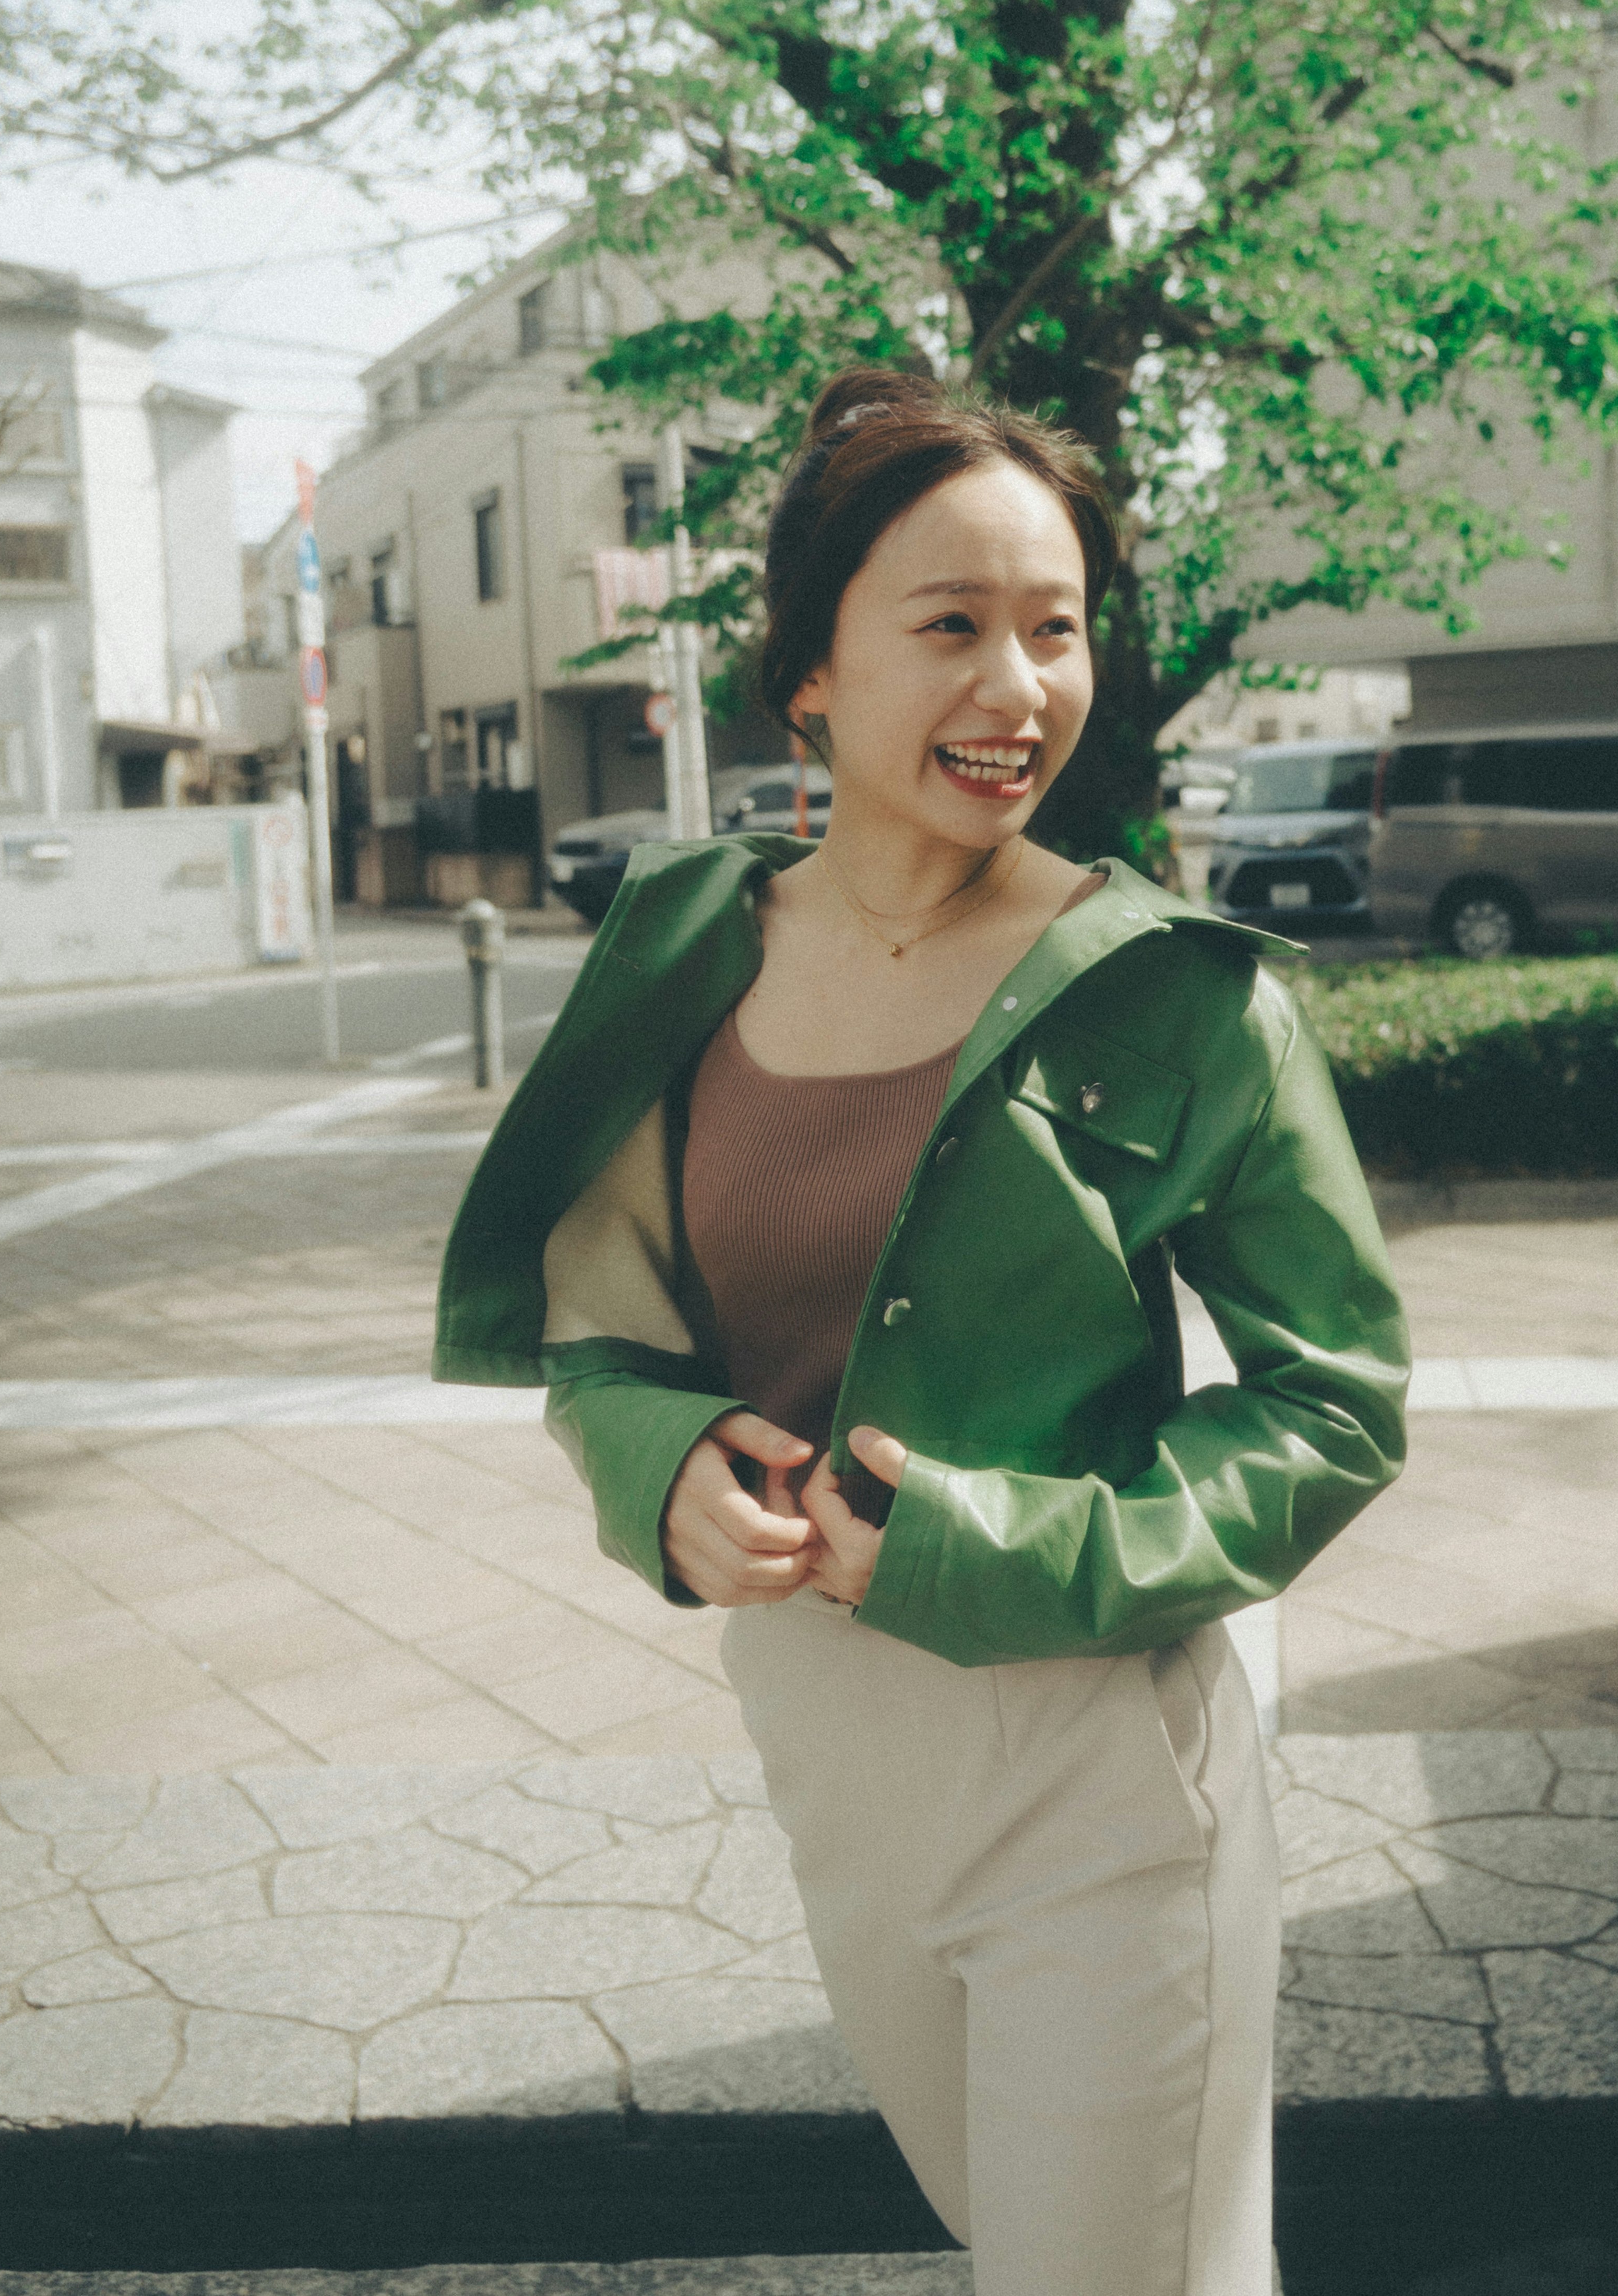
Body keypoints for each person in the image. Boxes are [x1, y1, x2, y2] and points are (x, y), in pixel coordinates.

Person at [435, 365, 1410, 2296]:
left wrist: (991, 1541)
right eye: (951, 626)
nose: (1020, 688)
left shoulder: (1183, 999)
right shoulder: (688, 948)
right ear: (808, 670)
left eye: (1055, 632)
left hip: (1100, 1758)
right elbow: (603, 1338)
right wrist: (660, 1474)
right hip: (827, 1757)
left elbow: (1333, 1404)